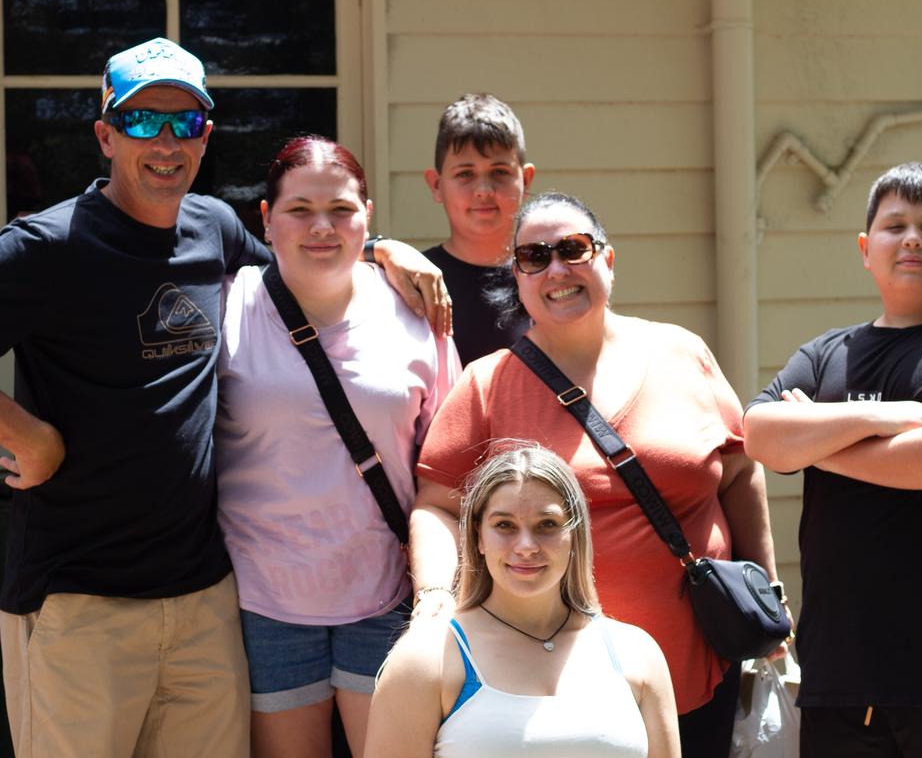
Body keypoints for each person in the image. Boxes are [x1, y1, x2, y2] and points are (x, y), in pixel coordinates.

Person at [0, 37, 449, 757]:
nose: (166, 142)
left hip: (207, 598)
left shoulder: (212, 229)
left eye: (186, 122)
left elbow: (308, 253)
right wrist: (27, 436)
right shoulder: (46, 247)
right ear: (105, 135)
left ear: (207, 136)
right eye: (143, 121)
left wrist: (386, 250)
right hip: (79, 600)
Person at [410, 192, 784, 758]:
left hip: (697, 665)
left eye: (573, 249)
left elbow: (737, 473)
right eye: (535, 256)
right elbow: (436, 505)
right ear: (518, 276)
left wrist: (766, 593)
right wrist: (435, 598)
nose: (556, 269)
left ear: (608, 259)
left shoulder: (683, 353)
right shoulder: (487, 385)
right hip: (553, 692)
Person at [744, 162, 922, 758]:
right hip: (838, 681)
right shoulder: (825, 355)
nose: (913, 238)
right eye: (895, 225)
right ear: (866, 249)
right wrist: (881, 417)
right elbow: (762, 435)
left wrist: (817, 442)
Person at [215, 135, 460, 758]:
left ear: (367, 216)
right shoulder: (226, 304)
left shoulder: (416, 313)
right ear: (266, 220)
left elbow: (449, 467)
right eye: (299, 210)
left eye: (342, 210)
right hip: (262, 599)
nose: (322, 227)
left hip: (386, 592)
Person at [366, 444, 680, 757]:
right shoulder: (424, 660)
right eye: (505, 525)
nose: (527, 546)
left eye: (547, 525)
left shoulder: (637, 654)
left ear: (575, 534)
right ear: (478, 536)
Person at [422, 93, 535, 363]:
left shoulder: (549, 274)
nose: (484, 190)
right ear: (436, 185)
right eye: (465, 174)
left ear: (526, 179)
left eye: (499, 172)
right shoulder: (417, 281)